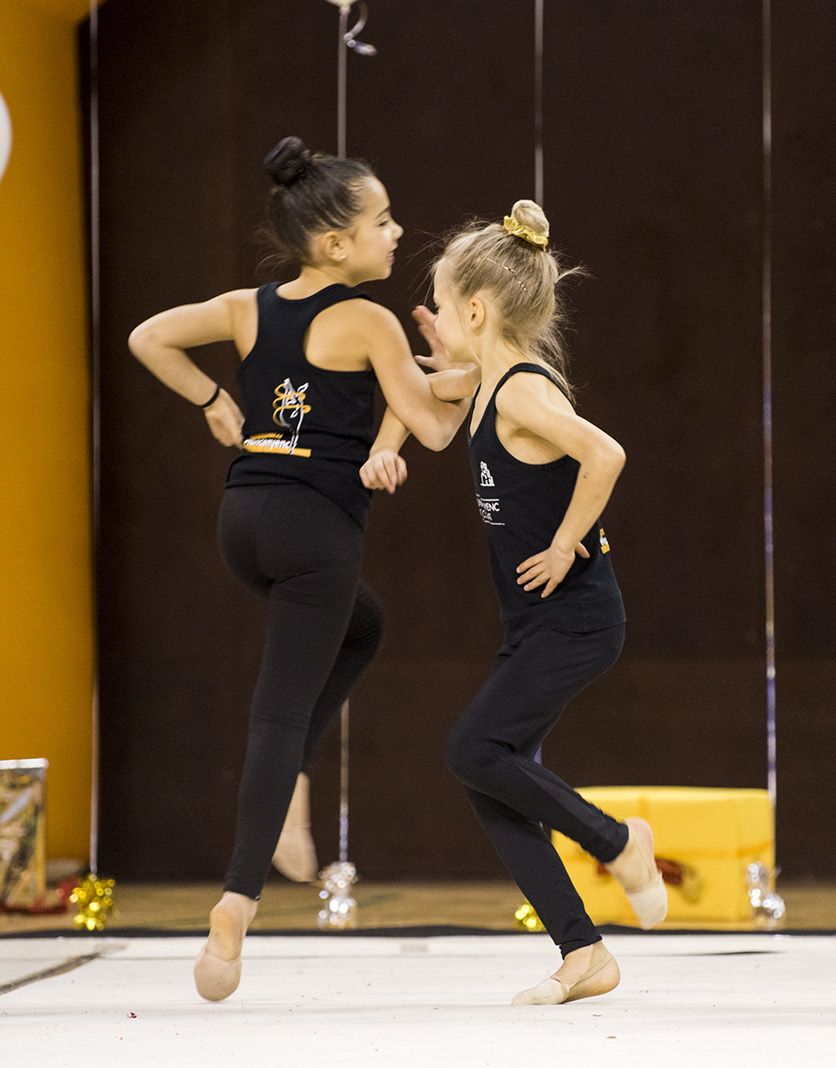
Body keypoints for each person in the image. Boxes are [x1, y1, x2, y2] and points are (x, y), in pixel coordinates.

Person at [127, 137, 468, 1001]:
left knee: (367, 624)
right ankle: (236, 904)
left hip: (243, 525)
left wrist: (212, 400)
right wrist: (463, 380)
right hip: (314, 534)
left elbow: (149, 337)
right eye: (383, 221)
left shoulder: (249, 306)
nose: (397, 233)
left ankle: (295, 787)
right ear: (335, 245)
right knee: (277, 715)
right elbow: (430, 429)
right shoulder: (370, 320)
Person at [416, 199, 666, 1006]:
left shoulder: (522, 392)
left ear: (479, 310)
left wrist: (564, 543)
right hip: (536, 624)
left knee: (472, 751)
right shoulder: (487, 380)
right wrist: (422, 364)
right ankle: (583, 952)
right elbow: (432, 383)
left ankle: (618, 843)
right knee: (491, 773)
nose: (436, 316)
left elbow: (607, 452)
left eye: (443, 302)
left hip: (578, 617)